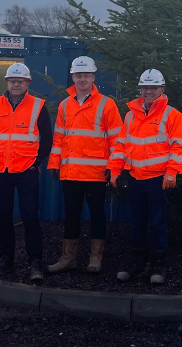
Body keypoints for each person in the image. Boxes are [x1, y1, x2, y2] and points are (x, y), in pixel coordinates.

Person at [109, 69, 182, 285]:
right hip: (135, 178)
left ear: (162, 89)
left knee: (157, 223)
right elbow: (120, 145)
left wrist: (171, 173)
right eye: (145, 88)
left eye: (153, 88)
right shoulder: (131, 114)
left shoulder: (172, 115)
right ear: (140, 89)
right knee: (136, 223)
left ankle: (159, 266)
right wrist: (115, 169)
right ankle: (138, 264)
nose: (149, 91)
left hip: (158, 180)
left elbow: (179, 148)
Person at [46, 56, 123, 274]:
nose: (82, 79)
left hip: (97, 173)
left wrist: (113, 166)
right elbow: (59, 138)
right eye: (79, 75)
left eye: (86, 75)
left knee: (97, 215)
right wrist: (54, 163)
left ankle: (95, 259)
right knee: (71, 214)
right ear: (73, 77)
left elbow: (117, 139)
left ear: (93, 77)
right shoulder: (65, 105)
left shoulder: (106, 104)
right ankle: (68, 258)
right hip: (70, 173)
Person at [0, 63, 53, 282]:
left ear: (28, 83)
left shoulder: (38, 106)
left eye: (20, 81)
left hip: (26, 171)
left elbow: (47, 140)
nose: (16, 84)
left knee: (30, 218)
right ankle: (6, 260)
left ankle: (35, 262)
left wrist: (35, 162)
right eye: (12, 80)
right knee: (3, 219)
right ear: (7, 83)